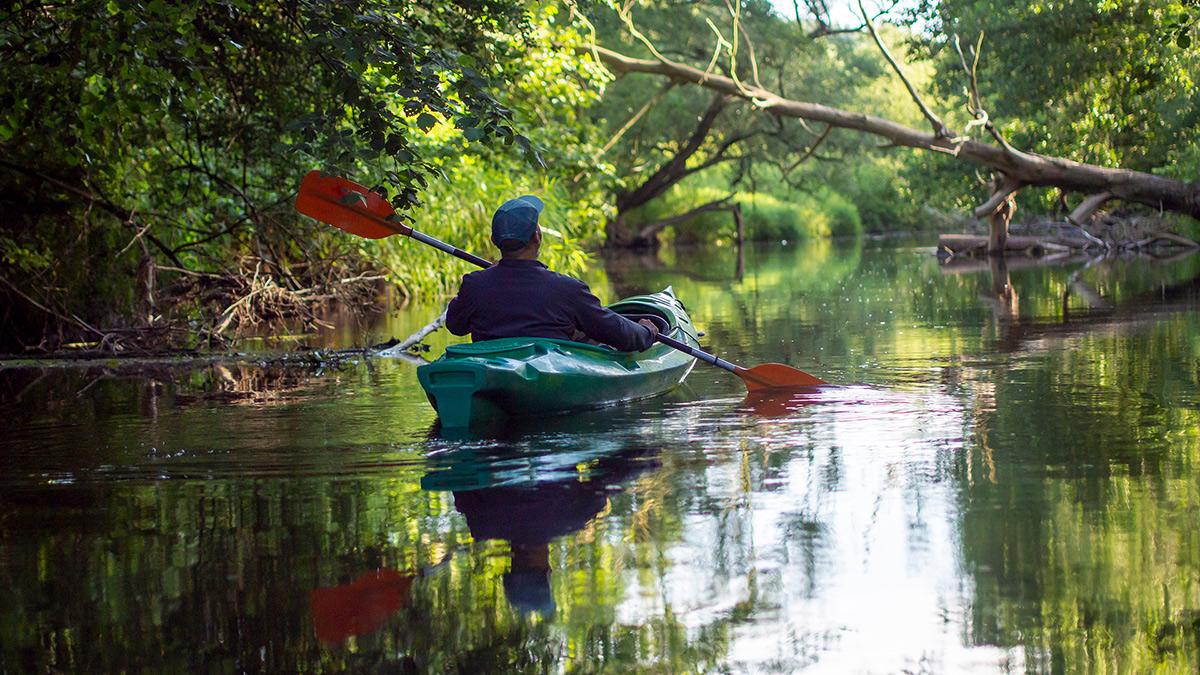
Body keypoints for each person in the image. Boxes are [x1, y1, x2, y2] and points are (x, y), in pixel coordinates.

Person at [445, 195, 660, 351]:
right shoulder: (568, 289)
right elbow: (620, 334)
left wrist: (490, 276)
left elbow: (455, 326)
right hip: (550, 371)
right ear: (538, 237)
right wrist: (646, 332)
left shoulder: (475, 284)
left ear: (494, 241)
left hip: (491, 369)